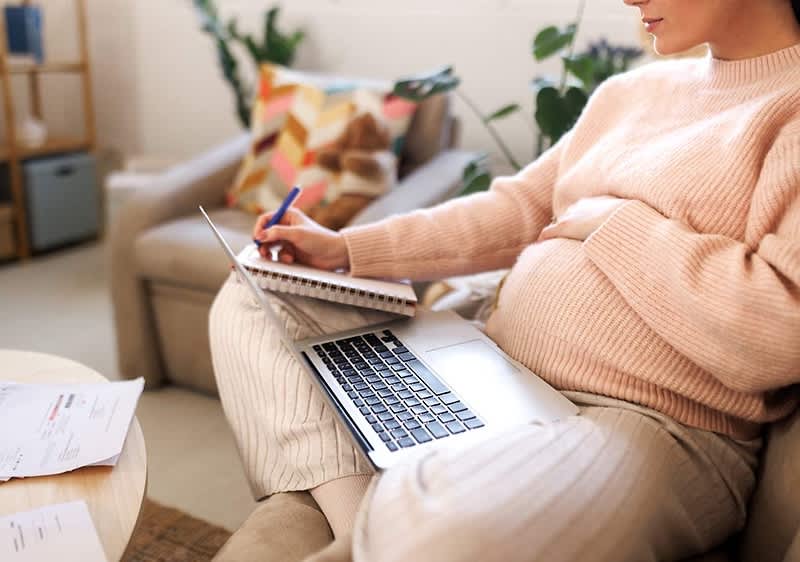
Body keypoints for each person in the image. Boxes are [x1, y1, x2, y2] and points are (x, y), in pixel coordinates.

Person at [209, 0, 800, 560]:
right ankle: (370, 517)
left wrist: (615, 221)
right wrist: (344, 250)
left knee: (440, 527)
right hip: (495, 369)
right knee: (258, 292)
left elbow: (779, 334)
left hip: (651, 423)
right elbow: (518, 207)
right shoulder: (631, 92)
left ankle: (389, 520)